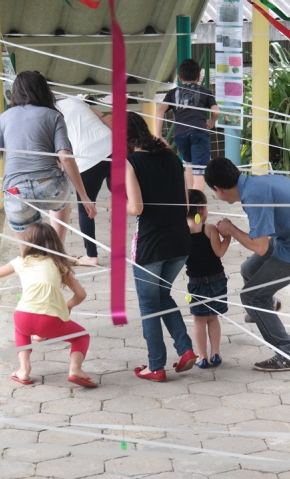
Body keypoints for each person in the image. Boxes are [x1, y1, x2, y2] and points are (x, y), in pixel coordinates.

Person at [204, 157, 290, 372]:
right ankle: (267, 307)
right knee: (248, 270)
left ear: (218, 189)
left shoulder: (253, 196)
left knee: (252, 296)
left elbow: (259, 247)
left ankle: (288, 354)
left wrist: (231, 229)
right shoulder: (255, 183)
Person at [0, 222, 95, 388]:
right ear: (55, 244)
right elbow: (81, 294)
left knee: (20, 331)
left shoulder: (21, 261)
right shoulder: (59, 265)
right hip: (51, 321)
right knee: (81, 336)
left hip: (24, 317)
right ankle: (75, 368)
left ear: (27, 242)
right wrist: (68, 305)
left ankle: (24, 370)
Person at [0, 71, 96, 245]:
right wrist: (84, 196)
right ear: (43, 90)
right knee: (61, 191)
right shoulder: (54, 116)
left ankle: (33, 260)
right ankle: (57, 249)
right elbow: (65, 157)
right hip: (50, 186)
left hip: (16, 191)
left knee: (29, 256)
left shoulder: (3, 119)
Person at [126, 112, 198, 381]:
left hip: (151, 246)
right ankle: (186, 349)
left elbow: (136, 208)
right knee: (162, 297)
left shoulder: (130, 162)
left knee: (148, 304)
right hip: (180, 242)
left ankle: (156, 365)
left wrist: (115, 205)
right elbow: (187, 206)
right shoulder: (172, 158)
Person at [57, 96, 113, 265]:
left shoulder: (49, 112)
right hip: (112, 146)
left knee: (85, 207)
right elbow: (103, 118)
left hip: (88, 158)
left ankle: (91, 255)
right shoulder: (75, 100)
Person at [155, 58, 220, 191]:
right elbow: (216, 111)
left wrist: (158, 135)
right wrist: (211, 121)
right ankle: (197, 208)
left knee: (189, 165)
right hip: (199, 133)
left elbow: (159, 111)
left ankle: (192, 202)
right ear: (199, 77)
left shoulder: (172, 93)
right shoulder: (205, 92)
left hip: (180, 135)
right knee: (200, 174)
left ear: (180, 77)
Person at [185, 189, 231, 369]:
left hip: (196, 282)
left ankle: (202, 356)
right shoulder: (210, 228)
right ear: (203, 209)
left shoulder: (181, 231)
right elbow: (219, 252)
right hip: (217, 279)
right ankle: (216, 353)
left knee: (199, 319)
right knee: (213, 318)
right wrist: (227, 237)